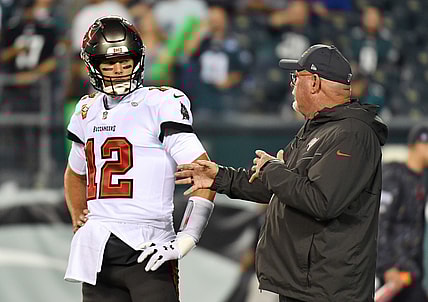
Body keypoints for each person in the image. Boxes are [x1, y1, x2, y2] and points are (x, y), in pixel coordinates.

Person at [175, 44, 389, 301]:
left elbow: (322, 202)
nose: (292, 85)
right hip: (304, 284)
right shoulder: (319, 128)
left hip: (329, 290)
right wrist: (219, 177)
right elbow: (276, 187)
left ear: (314, 83)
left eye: (296, 78)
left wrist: (273, 169)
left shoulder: (353, 134)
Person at [63, 15, 215, 302]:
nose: (119, 70)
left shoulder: (159, 103)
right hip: (98, 249)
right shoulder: (86, 110)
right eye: (109, 63)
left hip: (149, 246)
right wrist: (78, 216)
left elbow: (204, 172)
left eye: (125, 62)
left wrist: (187, 238)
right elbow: (74, 172)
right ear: (93, 66)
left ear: (138, 62)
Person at [375, 123, 428, 302]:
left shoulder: (420, 180)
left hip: (412, 273)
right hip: (395, 274)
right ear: (415, 145)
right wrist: (387, 267)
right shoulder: (395, 176)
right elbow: (379, 222)